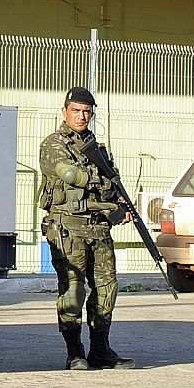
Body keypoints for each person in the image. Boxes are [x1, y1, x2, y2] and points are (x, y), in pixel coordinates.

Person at [38, 86, 136, 371]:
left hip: (99, 228)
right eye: (76, 110)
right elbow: (72, 175)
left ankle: (101, 350)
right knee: (73, 290)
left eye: (87, 111)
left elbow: (113, 182)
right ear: (65, 111)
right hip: (68, 228)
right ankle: (74, 351)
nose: (82, 116)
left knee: (107, 289)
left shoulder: (98, 148)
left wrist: (120, 204)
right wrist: (102, 180)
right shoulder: (54, 144)